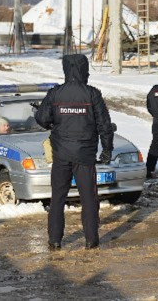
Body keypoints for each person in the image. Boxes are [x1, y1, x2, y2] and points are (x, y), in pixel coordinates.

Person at [35, 54, 114, 251]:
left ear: (65, 69)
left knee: (58, 199)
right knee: (88, 199)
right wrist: (107, 149)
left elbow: (42, 119)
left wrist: (54, 121)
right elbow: (104, 125)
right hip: (85, 156)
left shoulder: (55, 93)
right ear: (84, 69)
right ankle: (91, 240)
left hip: (61, 154)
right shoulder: (92, 94)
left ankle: (54, 240)